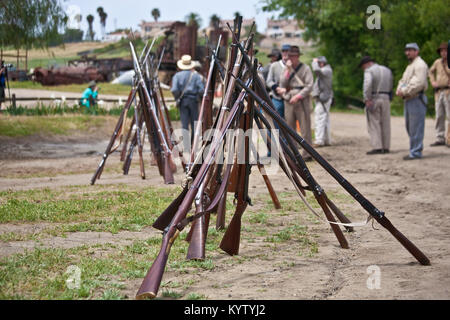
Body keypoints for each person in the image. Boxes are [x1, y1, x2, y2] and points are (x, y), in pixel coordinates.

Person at [278, 45, 314, 160]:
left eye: (293, 56)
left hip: (302, 99)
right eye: (290, 56)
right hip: (289, 99)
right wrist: (288, 71)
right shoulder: (286, 69)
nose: (291, 58)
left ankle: (307, 154)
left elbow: (309, 86)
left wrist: (298, 96)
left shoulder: (305, 68)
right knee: (290, 127)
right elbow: (282, 84)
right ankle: (293, 153)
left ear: (298, 56)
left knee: (305, 128)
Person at [396, 43, 429, 160]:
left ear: (417, 51)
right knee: (410, 127)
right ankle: (414, 150)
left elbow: (418, 83)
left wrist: (404, 91)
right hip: (409, 99)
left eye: (410, 50)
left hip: (417, 98)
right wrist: (399, 89)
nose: (407, 53)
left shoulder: (420, 65)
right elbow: (403, 80)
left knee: (416, 127)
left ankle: (416, 152)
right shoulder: (410, 66)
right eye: (406, 50)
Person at [358, 56, 393, 154]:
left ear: (366, 64)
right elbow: (390, 84)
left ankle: (377, 146)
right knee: (386, 122)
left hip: (374, 97)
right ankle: (386, 146)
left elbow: (368, 84)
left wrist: (367, 98)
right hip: (386, 97)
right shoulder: (387, 70)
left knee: (374, 122)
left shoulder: (369, 71)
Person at [171, 54, 205, 153]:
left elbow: (174, 89)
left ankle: (186, 147)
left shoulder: (177, 76)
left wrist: (177, 98)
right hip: (194, 101)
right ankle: (194, 145)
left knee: (184, 124)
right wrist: (198, 97)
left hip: (183, 101)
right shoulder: (196, 76)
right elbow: (201, 89)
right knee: (195, 124)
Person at [428, 42, 450, 147]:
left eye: (445, 50)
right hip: (439, 92)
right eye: (442, 51)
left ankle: (449, 138)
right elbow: (430, 72)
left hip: (448, 91)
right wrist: (432, 82)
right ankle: (440, 137)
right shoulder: (437, 62)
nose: (444, 53)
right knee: (439, 115)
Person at [311, 56, 333, 147]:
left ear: (322, 63)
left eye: (319, 62)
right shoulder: (326, 70)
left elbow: (316, 71)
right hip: (324, 98)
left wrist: (314, 62)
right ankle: (326, 140)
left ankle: (319, 140)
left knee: (319, 119)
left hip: (323, 98)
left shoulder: (326, 70)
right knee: (325, 119)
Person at [266, 44, 291, 120]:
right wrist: (276, 88)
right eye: (283, 51)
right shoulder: (274, 65)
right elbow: (269, 81)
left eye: (287, 51)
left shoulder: (295, 66)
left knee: (289, 125)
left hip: (290, 99)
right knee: (274, 123)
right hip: (277, 98)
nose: (285, 53)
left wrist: (286, 90)